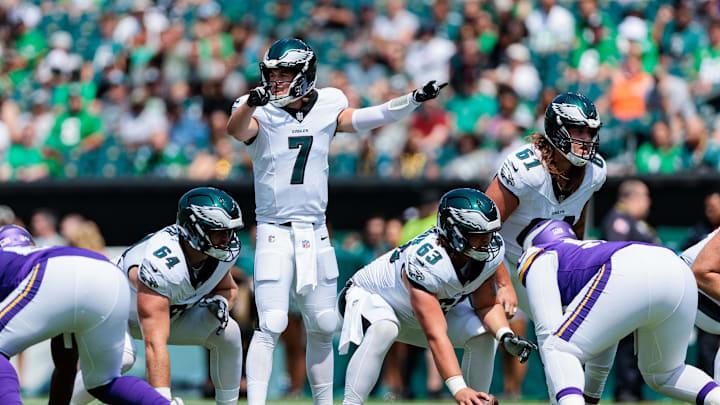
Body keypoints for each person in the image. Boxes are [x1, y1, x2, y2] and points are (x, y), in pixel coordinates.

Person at [226, 38, 447, 405]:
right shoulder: (257, 108)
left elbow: (365, 118)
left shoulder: (328, 103)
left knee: (324, 324)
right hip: (274, 231)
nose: (276, 81)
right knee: (272, 323)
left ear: (305, 74)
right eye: (272, 74)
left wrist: (412, 100)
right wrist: (251, 100)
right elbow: (235, 130)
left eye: (285, 74)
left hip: (314, 231)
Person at [338, 188, 536, 405]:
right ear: (454, 232)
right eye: (478, 234)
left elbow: (485, 305)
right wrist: (459, 389)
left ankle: (478, 402)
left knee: (482, 334)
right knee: (385, 327)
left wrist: (504, 335)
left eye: (489, 233)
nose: (487, 241)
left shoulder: (488, 250)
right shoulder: (427, 262)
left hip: (416, 311)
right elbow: (436, 335)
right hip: (368, 297)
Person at [70, 187, 244, 405]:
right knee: (122, 357)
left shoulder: (218, 253)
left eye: (229, 231)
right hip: (112, 309)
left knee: (228, 332)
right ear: (192, 229)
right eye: (217, 231)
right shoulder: (162, 264)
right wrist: (162, 400)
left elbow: (227, 289)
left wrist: (220, 303)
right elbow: (154, 344)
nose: (226, 239)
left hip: (165, 313)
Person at [519, 220, 720, 405]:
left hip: (629, 267)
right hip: (675, 265)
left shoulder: (539, 254)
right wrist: (590, 397)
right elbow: (605, 339)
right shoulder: (588, 250)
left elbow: (548, 332)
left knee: (558, 347)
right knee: (665, 373)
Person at [485, 92, 606, 399]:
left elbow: (577, 219)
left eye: (590, 131)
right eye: (578, 130)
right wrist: (503, 283)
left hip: (541, 266)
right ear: (557, 129)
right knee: (478, 338)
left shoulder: (595, 172)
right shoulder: (525, 169)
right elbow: (483, 227)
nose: (586, 139)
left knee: (568, 335)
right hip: (499, 262)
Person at [0, 225, 184, 405]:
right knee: (102, 382)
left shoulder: (10, 259)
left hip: (53, 273)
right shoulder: (36, 254)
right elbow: (66, 366)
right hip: (109, 273)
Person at [601, 179, 659, 401]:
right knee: (626, 345)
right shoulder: (618, 220)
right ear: (630, 198)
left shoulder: (638, 222)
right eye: (645, 197)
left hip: (643, 292)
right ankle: (625, 391)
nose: (649, 202)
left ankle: (635, 389)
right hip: (627, 292)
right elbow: (620, 254)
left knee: (638, 344)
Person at [681, 227, 720, 378]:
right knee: (660, 375)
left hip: (696, 291)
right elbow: (702, 272)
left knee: (660, 375)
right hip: (681, 286)